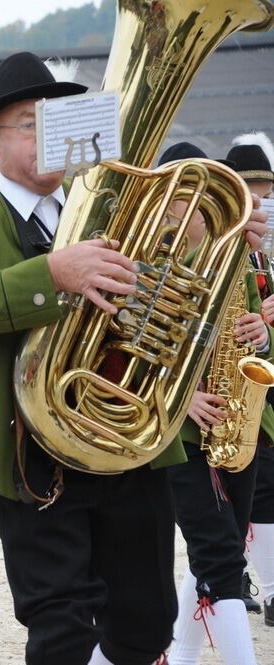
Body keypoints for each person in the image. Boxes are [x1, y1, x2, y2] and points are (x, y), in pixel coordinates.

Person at [0, 52, 270, 665]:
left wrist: (215, 244)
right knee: (61, 624)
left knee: (146, 623)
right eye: (29, 122)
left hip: (129, 443)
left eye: (55, 119)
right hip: (26, 456)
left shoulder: (120, 208)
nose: (46, 133)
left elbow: (170, 310)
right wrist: (51, 273)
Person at [158, 142, 268, 665]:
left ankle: (182, 654)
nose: (194, 210)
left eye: (204, 199)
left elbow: (255, 335)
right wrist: (179, 400)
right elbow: (123, 358)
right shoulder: (148, 263)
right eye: (183, 198)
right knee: (221, 555)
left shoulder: (233, 257)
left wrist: (261, 335)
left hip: (236, 419)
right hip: (176, 432)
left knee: (216, 548)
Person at [238, 135, 274, 627]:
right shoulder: (236, 256)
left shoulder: (266, 257)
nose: (262, 201)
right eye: (252, 191)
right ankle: (268, 587)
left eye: (266, 191)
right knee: (259, 485)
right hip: (239, 388)